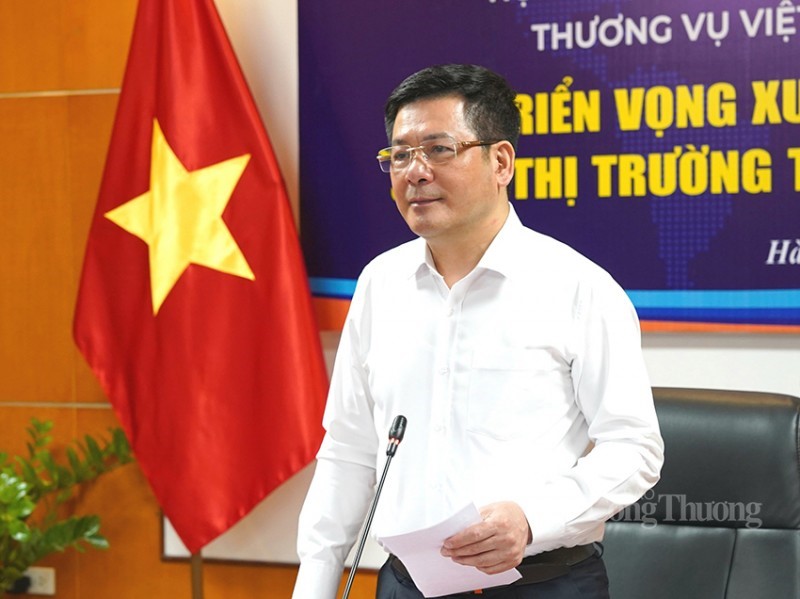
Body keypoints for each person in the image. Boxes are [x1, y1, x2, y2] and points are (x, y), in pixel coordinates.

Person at [292, 64, 664, 598]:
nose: (415, 172)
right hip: (405, 584)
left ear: (501, 162)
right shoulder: (379, 284)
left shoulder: (577, 287)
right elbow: (349, 450)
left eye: (439, 149)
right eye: (400, 154)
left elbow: (633, 447)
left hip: (543, 583)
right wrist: (314, 584)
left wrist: (531, 519)